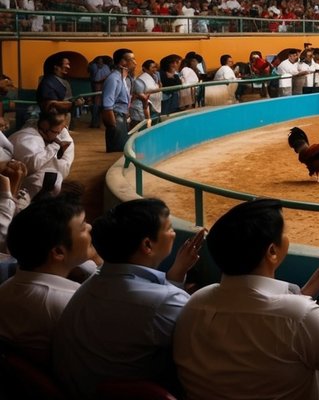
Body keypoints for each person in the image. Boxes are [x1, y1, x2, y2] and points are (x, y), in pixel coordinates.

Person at [172, 198, 319, 400]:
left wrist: (299, 296)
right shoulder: (299, 314)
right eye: (285, 232)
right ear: (272, 252)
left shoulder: (195, 304)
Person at [52, 198, 207, 398]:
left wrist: (177, 273)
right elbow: (205, 341)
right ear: (147, 245)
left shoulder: (96, 281)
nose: (173, 233)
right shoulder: (165, 302)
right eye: (169, 228)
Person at [0, 194, 92, 361]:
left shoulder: (7, 288)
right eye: (83, 226)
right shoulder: (70, 305)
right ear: (58, 252)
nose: (90, 228)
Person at [10, 108, 74, 197]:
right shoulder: (28, 138)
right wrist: (56, 145)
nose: (58, 135)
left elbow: (63, 168)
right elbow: (33, 164)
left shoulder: (40, 132)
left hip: (15, 182)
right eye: (56, 132)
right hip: (8, 186)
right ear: (45, 128)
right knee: (48, 179)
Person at [102, 49, 138, 152]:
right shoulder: (114, 78)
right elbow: (107, 105)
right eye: (132, 59)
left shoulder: (122, 78)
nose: (135, 62)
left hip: (122, 117)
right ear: (123, 62)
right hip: (116, 117)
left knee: (122, 149)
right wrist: (114, 125)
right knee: (117, 151)